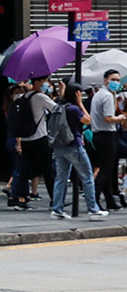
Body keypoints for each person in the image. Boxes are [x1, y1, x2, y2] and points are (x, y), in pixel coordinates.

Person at [51, 83, 109, 221]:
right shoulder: (74, 109)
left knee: (61, 178)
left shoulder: (58, 106)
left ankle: (57, 209)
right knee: (87, 176)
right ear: (76, 94)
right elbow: (88, 120)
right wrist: (80, 104)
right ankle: (93, 209)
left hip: (59, 146)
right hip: (74, 145)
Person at [9, 76, 58, 211]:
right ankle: (55, 199)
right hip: (40, 138)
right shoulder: (40, 97)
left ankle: (20, 199)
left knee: (25, 169)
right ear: (37, 82)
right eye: (44, 82)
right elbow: (57, 110)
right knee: (48, 170)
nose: (46, 85)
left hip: (26, 139)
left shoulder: (23, 97)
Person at [89, 70, 125, 212]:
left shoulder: (99, 94)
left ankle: (109, 200)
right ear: (105, 80)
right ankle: (95, 199)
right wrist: (120, 118)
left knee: (106, 169)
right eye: (113, 79)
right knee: (105, 170)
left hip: (98, 135)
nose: (116, 82)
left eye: (117, 79)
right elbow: (108, 117)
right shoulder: (107, 96)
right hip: (107, 135)